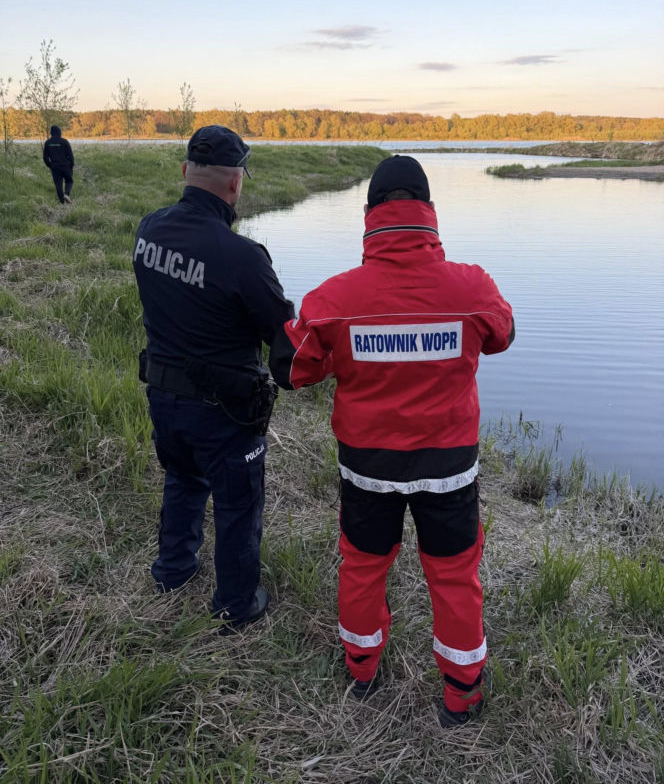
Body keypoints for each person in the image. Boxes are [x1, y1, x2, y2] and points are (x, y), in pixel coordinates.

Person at [269, 155, 514, 726]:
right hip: (450, 467)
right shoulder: (473, 287)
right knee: (454, 576)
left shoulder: (334, 300)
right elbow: (501, 334)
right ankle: (462, 697)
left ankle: (361, 673)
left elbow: (296, 369)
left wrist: (335, 352)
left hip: (367, 467)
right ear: (429, 212)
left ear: (369, 214)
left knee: (363, 567)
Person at [133, 125, 294, 632]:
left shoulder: (148, 231)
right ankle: (236, 604)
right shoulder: (243, 257)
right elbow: (284, 337)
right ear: (235, 183)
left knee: (182, 478)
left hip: (163, 396)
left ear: (186, 172)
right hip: (225, 411)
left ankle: (173, 572)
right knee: (238, 505)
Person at [43, 125, 75, 204]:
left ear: (51, 133)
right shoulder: (64, 141)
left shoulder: (48, 142)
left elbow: (45, 157)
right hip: (65, 166)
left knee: (58, 185)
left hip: (55, 167)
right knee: (69, 181)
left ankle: (62, 203)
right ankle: (67, 194)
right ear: (59, 132)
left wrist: (50, 166)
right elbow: (70, 155)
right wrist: (72, 164)